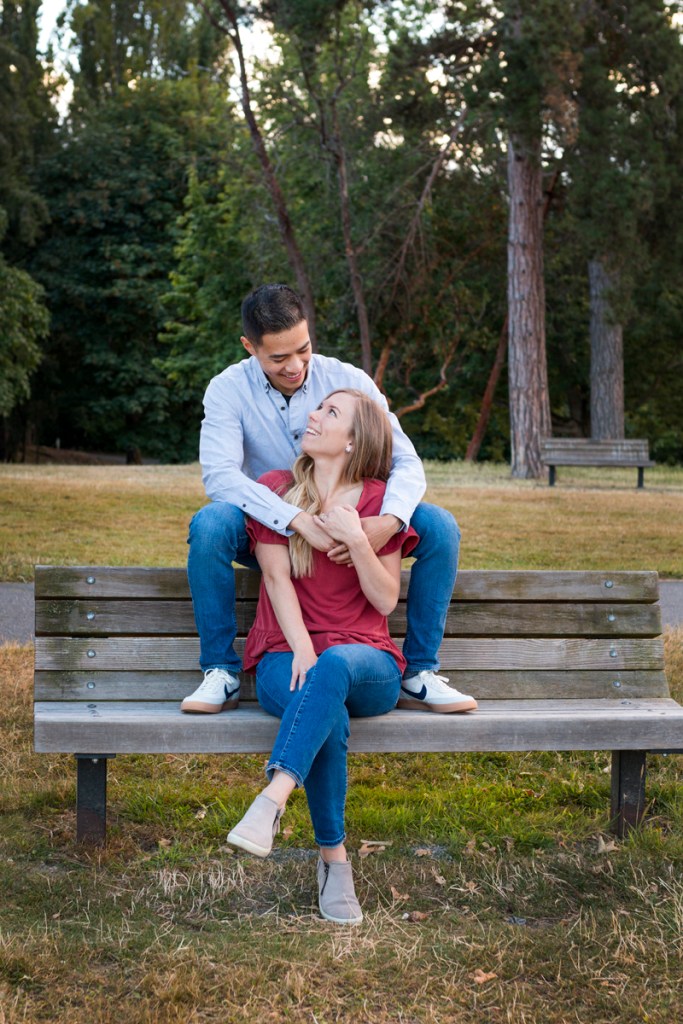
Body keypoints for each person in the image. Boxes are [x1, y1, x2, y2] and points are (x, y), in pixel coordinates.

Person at [180, 283, 476, 716]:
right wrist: (294, 520)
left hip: (350, 518)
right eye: (279, 358)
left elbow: (406, 460)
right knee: (209, 525)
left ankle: (419, 671)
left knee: (440, 527)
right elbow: (221, 476)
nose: (296, 365)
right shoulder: (227, 390)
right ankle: (221, 671)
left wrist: (387, 522)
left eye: (303, 349)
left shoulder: (347, 380)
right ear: (250, 347)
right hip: (266, 526)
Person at [226, 389, 423, 923]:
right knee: (325, 702)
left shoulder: (380, 503)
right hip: (284, 656)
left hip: (368, 663)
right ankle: (335, 863)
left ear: (354, 439)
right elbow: (275, 577)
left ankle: (272, 799)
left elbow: (384, 600)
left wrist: (356, 539)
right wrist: (304, 650)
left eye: (329, 412)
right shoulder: (276, 491)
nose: (312, 415)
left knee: (334, 671)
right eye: (317, 409)